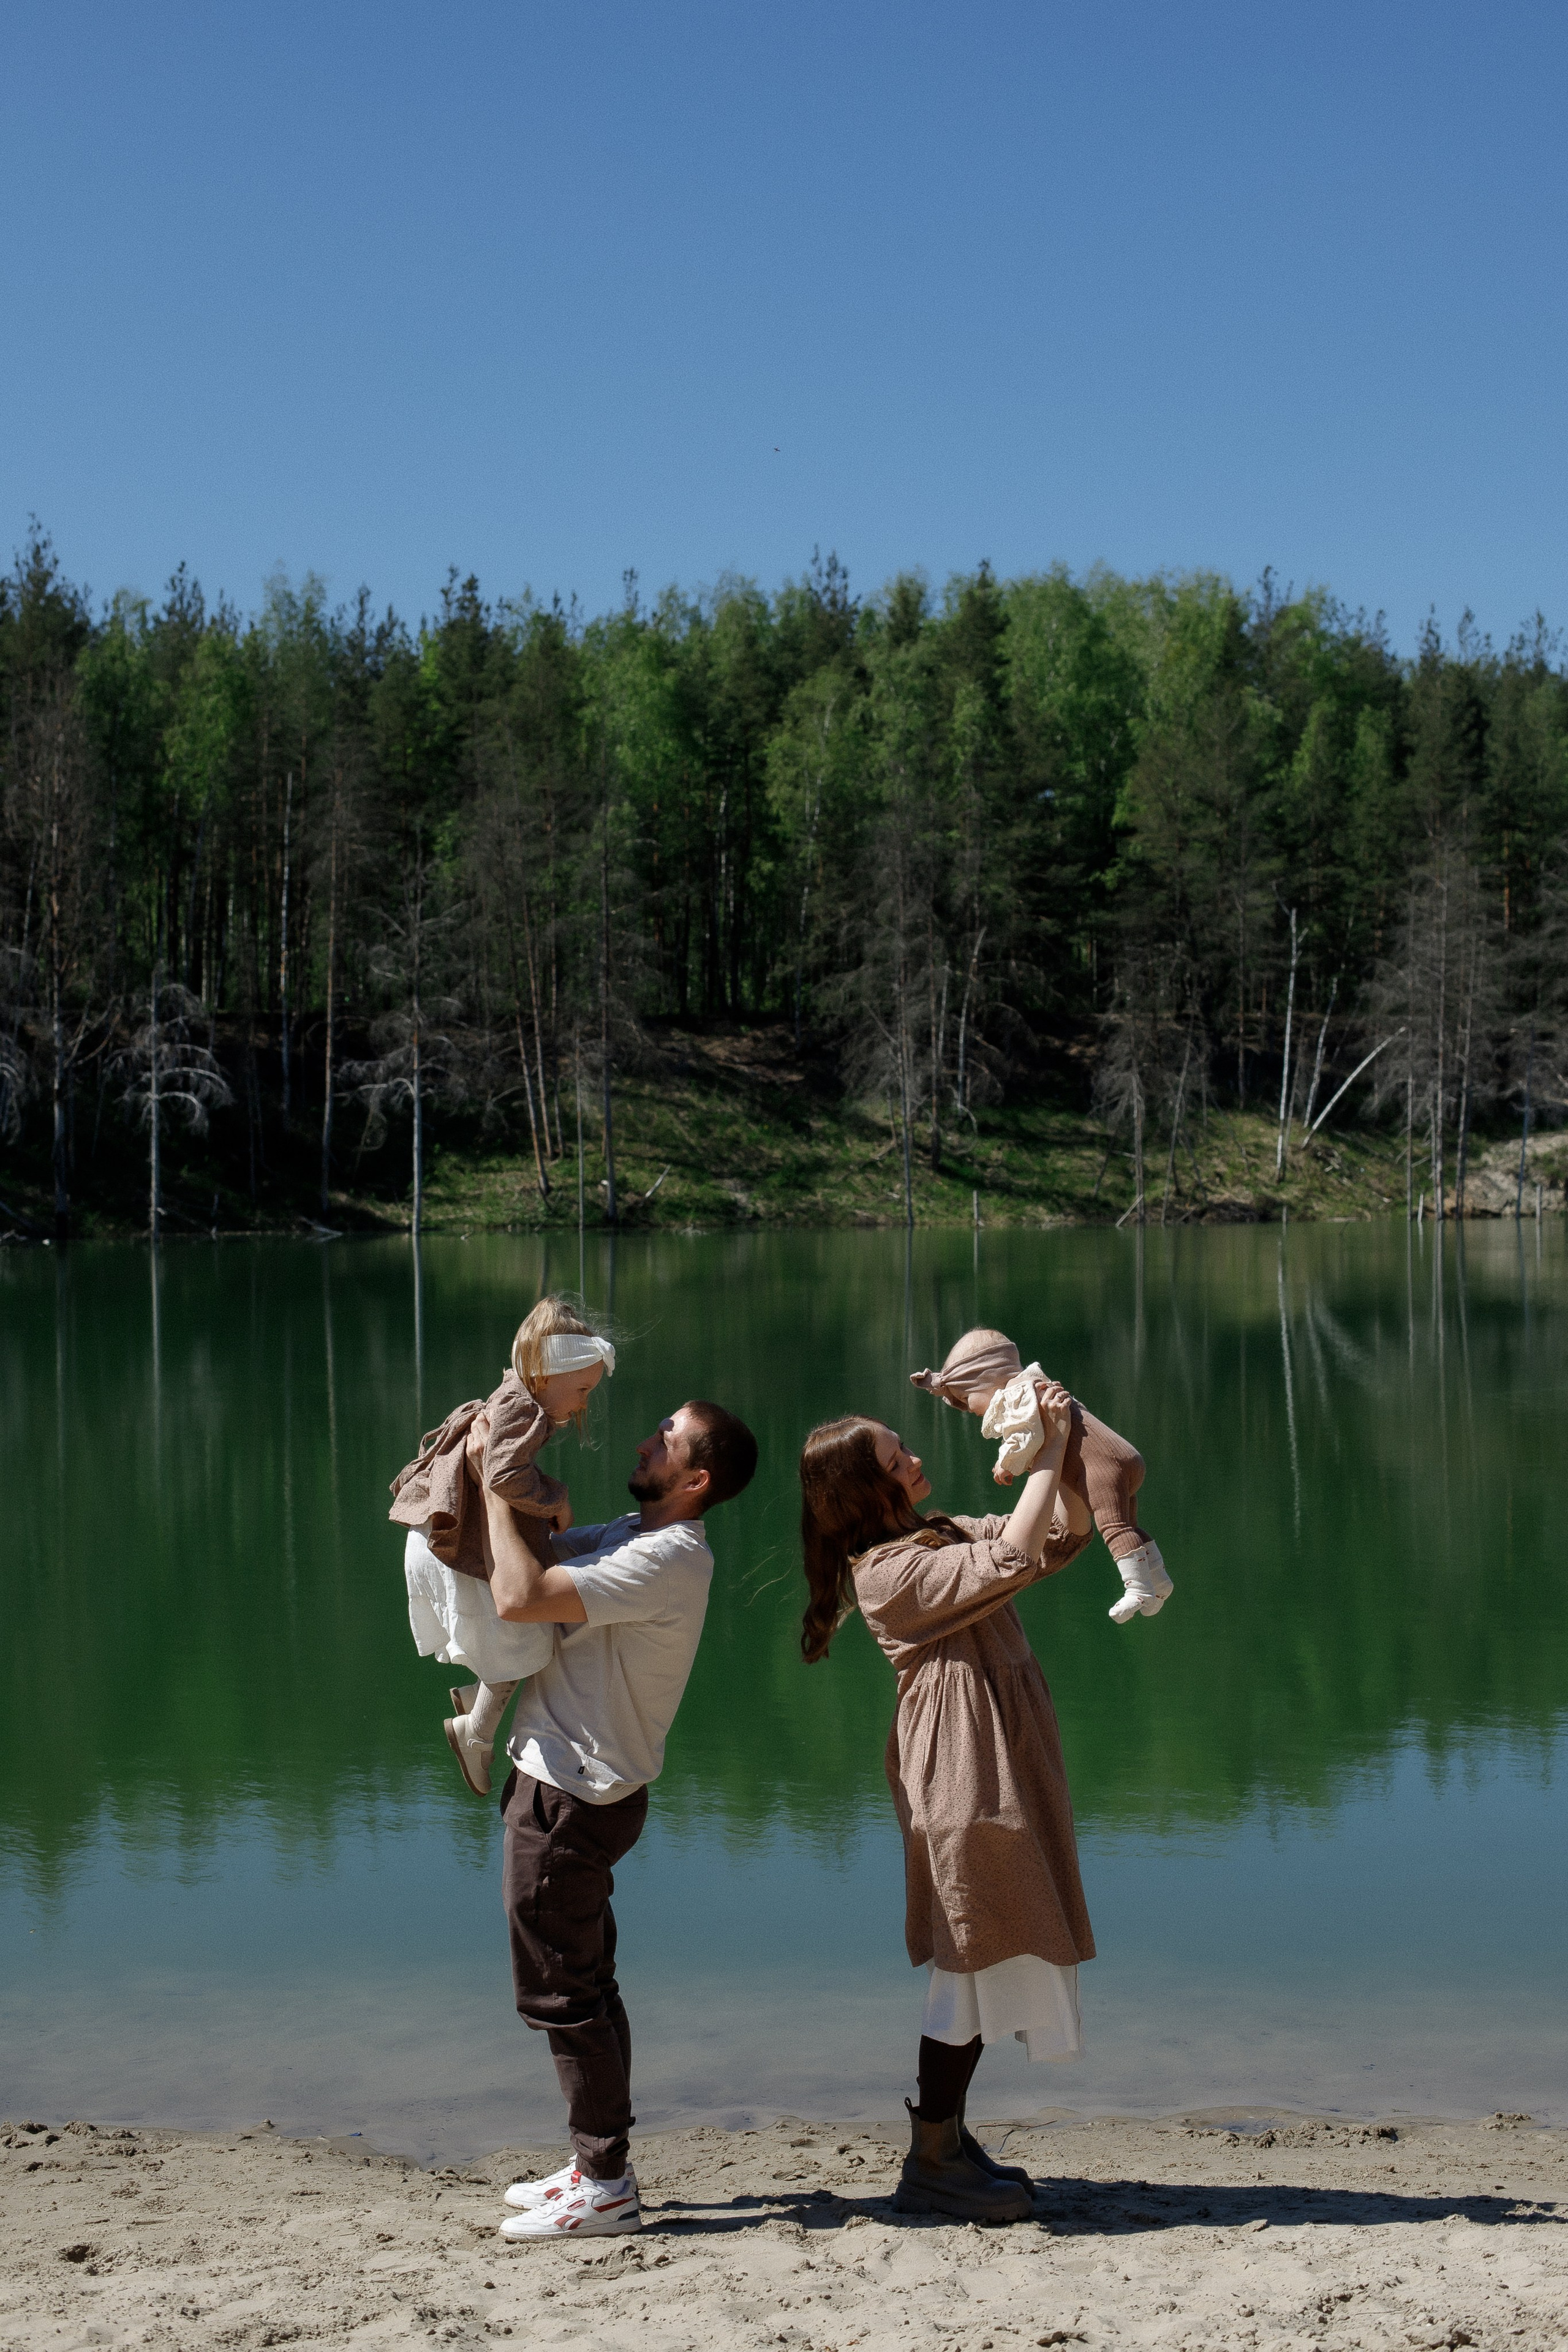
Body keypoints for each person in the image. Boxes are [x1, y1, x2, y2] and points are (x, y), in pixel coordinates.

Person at [798, 1384, 1094, 2223]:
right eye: (899, 1459)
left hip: (999, 1749)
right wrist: (1041, 1458)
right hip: (964, 1766)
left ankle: (949, 2143)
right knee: (969, 1953)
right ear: (868, 1491)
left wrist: (1055, 1448)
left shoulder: (939, 1534)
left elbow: (1056, 1538)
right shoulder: (887, 1572)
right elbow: (1010, 1560)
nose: (917, 1460)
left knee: (984, 1955)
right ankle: (933, 2155)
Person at [472, 1396, 758, 2242]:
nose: (644, 1438)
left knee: (562, 1993)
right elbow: (538, 1559)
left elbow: (521, 1599)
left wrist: (495, 1487)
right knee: (588, 1984)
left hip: (572, 1798)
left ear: (695, 1478)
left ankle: (605, 2186)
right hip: (576, 1788)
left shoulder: (668, 1558)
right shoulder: (630, 1538)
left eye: (663, 1437)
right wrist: (533, 1490)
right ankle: (595, 2165)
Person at [390, 1295, 616, 1795]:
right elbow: (505, 1474)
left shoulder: (515, 1397)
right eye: (581, 1389)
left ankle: (476, 1702)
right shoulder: (524, 1410)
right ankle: (475, 1735)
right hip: (456, 1550)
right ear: (545, 1376)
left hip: (439, 1539)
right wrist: (556, 1498)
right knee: (526, 1644)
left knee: (522, 1640)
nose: (583, 1403)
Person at [911, 1326, 1173, 1625]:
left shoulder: (1020, 1396)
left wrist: (1006, 1463)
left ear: (987, 1379)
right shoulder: (1038, 1385)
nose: (969, 1410)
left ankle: (1137, 1588)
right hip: (1125, 1458)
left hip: (1103, 1470)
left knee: (1114, 1528)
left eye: (966, 1398)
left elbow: (1027, 1435)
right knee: (1131, 1526)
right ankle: (1159, 1580)